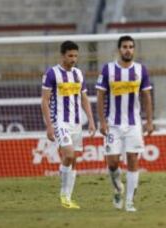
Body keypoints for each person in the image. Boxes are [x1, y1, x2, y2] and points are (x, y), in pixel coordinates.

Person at [96, 35, 154, 212]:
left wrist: (149, 121)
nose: (128, 50)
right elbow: (100, 96)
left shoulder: (140, 70)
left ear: (133, 50)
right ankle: (118, 188)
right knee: (112, 162)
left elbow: (147, 97)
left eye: (131, 47)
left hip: (134, 124)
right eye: (125, 47)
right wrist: (102, 121)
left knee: (133, 160)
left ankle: (129, 201)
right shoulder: (108, 69)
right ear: (119, 49)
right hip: (113, 124)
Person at [41, 40, 96, 209]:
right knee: (69, 155)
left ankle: (68, 199)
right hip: (59, 121)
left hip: (76, 123)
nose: (73, 59)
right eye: (70, 56)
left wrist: (92, 121)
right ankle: (63, 194)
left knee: (73, 160)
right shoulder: (51, 73)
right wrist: (49, 126)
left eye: (76, 56)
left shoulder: (79, 74)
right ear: (62, 55)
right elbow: (45, 100)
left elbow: (84, 98)